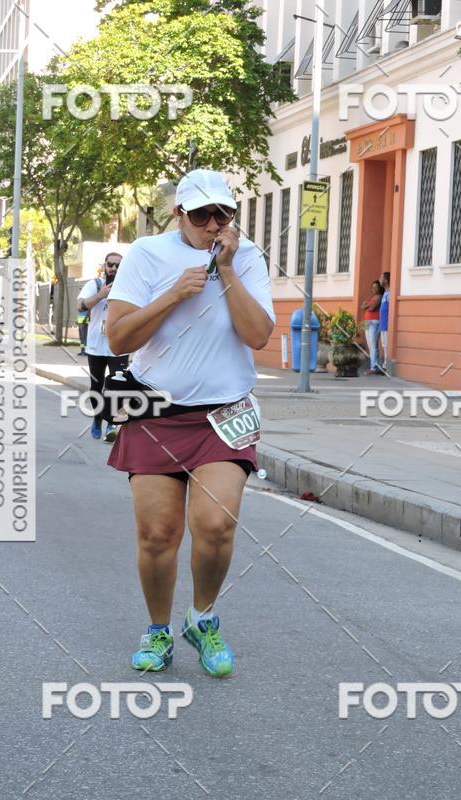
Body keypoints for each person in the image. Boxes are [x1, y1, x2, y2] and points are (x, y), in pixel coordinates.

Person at [105, 168, 275, 677]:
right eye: (200, 214)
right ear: (179, 214)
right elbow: (118, 339)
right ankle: (158, 631)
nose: (212, 223)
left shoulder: (246, 258)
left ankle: (202, 619)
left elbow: (259, 335)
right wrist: (174, 295)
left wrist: (227, 271)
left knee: (216, 526)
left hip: (224, 415)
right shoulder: (146, 254)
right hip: (154, 412)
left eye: (222, 213)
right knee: (158, 534)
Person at [77, 253, 128, 441]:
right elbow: (80, 306)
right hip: (96, 347)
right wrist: (100, 296)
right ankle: (98, 418)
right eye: (110, 265)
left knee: (118, 386)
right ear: (104, 266)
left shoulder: (129, 285)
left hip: (120, 345)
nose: (113, 269)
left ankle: (112, 423)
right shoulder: (94, 285)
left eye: (117, 265)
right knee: (96, 386)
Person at [361, 280, 383, 375]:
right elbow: (362, 306)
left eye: (376, 287)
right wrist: (366, 306)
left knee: (373, 345)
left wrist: (366, 305)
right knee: (370, 345)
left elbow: (372, 308)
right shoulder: (372, 297)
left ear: (379, 288)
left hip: (374, 322)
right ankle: (373, 365)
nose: (373, 289)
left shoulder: (380, 297)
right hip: (368, 322)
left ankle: (374, 367)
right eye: (372, 287)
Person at [378, 272, 390, 374]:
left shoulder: (389, 293)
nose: (380, 280)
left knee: (386, 345)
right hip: (383, 324)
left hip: (386, 325)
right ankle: (385, 365)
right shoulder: (385, 293)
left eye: (381, 278)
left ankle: (386, 366)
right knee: (384, 345)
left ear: (386, 280)